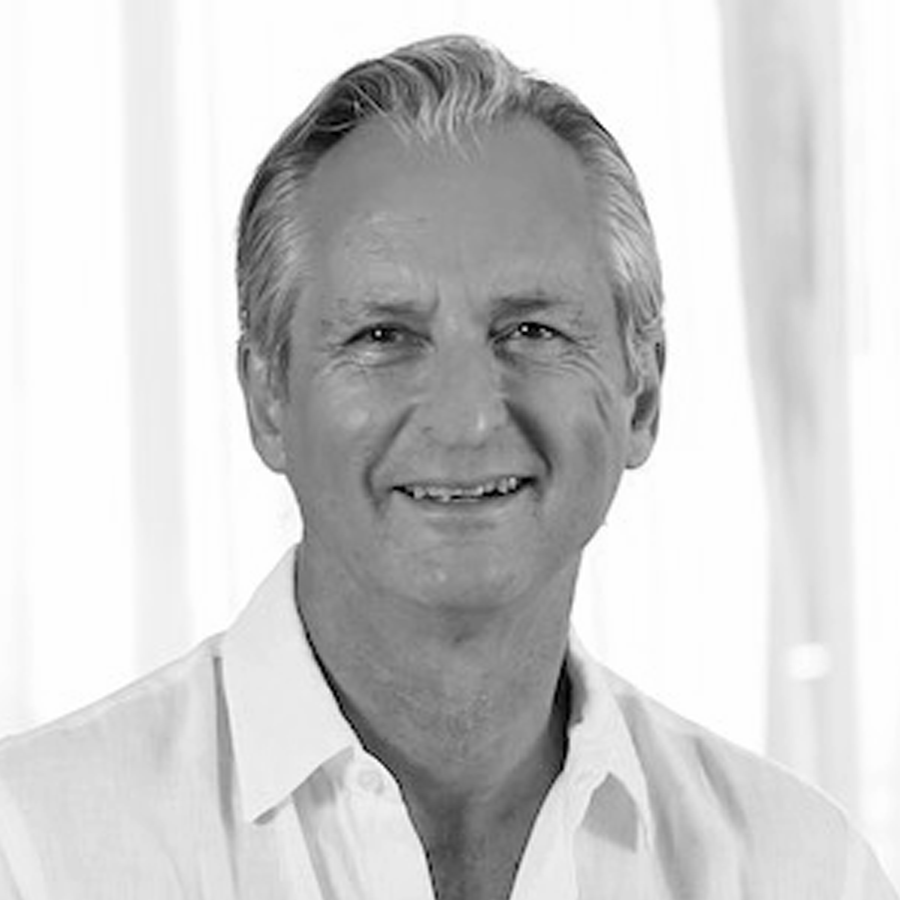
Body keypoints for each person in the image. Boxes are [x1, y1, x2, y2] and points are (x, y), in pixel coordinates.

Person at [0, 34, 894, 900]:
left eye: (532, 330)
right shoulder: (31, 853)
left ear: (643, 396)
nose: (467, 419)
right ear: (268, 398)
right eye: (382, 335)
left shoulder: (805, 872)